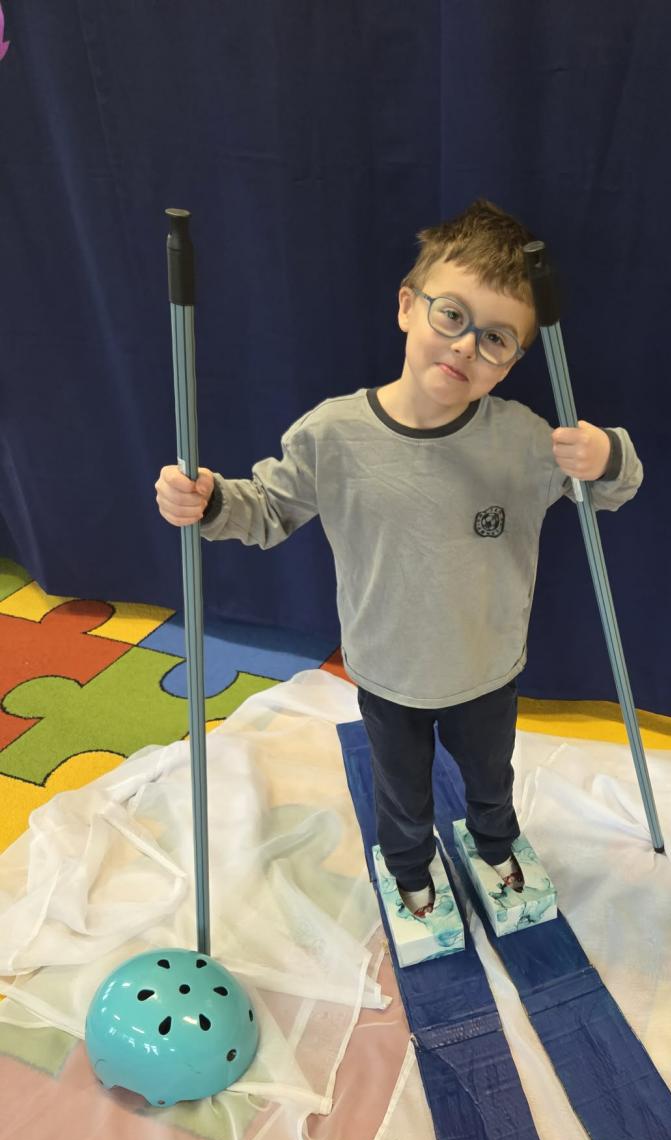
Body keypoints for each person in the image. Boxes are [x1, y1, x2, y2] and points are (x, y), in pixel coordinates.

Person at [155, 198, 643, 919]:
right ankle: (411, 870)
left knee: (491, 781)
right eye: (452, 315)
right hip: (387, 668)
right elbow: (265, 509)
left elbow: (612, 489)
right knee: (402, 792)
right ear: (408, 306)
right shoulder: (332, 434)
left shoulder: (523, 438)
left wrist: (604, 455)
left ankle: (494, 846)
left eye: (496, 339)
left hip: (487, 666)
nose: (466, 346)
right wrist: (207, 500)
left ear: (513, 361)